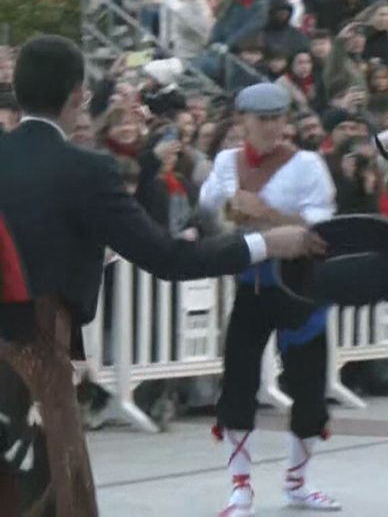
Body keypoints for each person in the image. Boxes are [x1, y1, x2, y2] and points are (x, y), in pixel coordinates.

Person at [0, 38, 321, 517]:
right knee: (46, 488)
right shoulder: (86, 169)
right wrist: (265, 244)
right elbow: (168, 258)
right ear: (75, 95)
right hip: (37, 353)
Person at [198, 83, 341, 517]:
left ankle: (297, 481)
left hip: (299, 290)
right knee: (238, 385)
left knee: (309, 392)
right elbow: (209, 211)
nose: (272, 127)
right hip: (250, 285)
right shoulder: (227, 161)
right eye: (262, 119)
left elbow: (322, 231)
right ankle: (240, 487)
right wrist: (227, 207)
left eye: (279, 118)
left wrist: (265, 213)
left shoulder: (307, 164)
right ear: (243, 121)